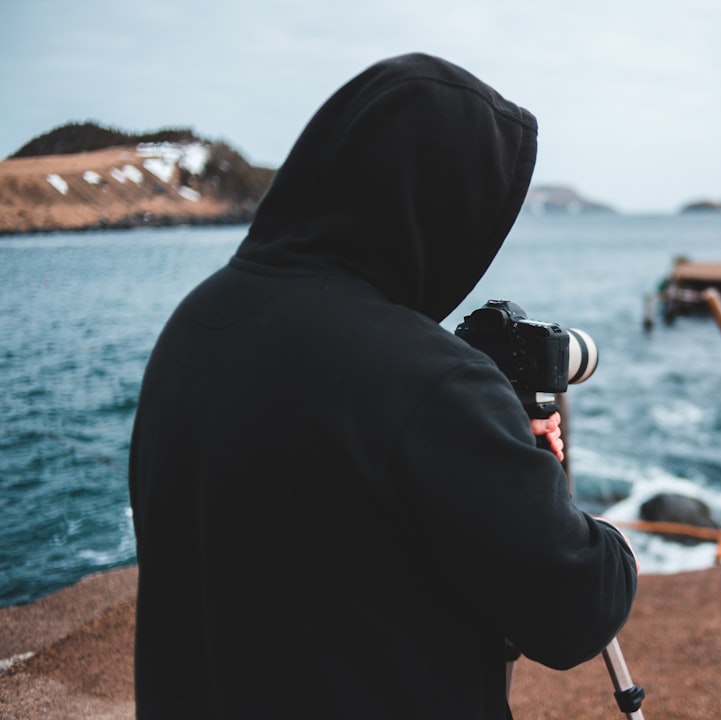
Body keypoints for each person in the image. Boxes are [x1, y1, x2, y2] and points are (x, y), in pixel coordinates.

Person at [128, 52, 638, 719]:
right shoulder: (426, 378)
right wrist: (599, 531)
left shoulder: (195, 323)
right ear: (441, 207)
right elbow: (574, 608)